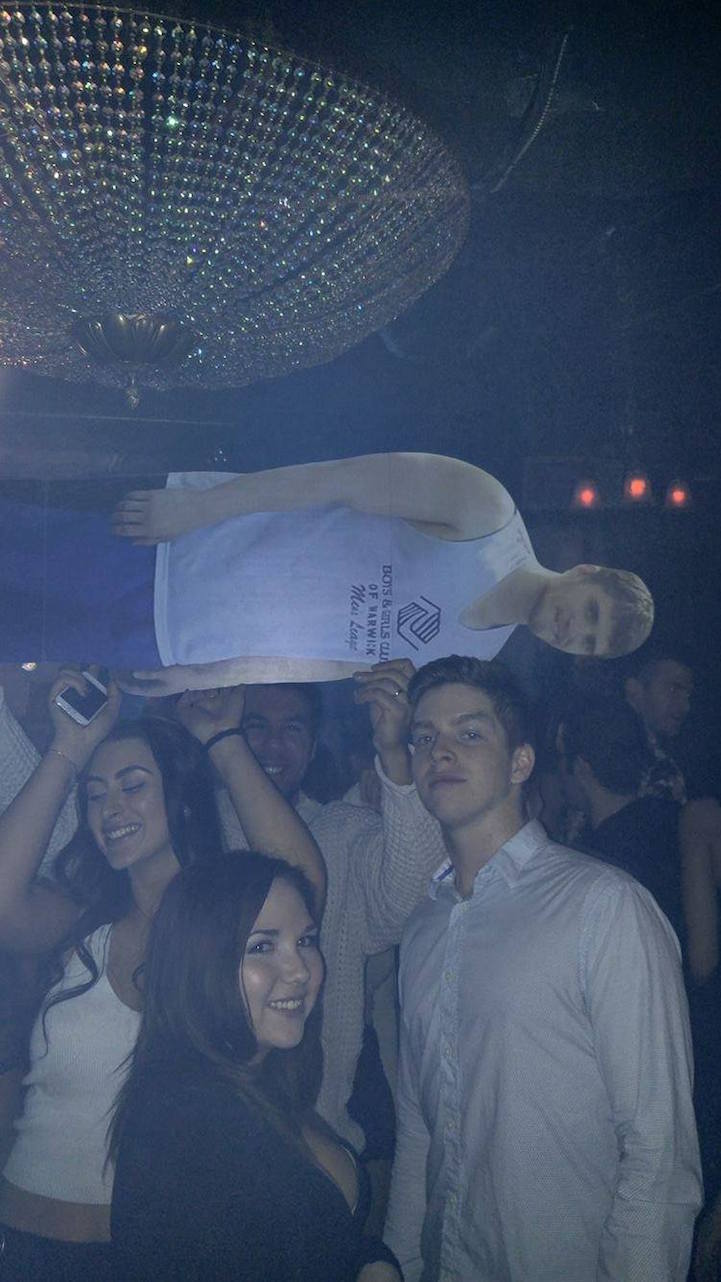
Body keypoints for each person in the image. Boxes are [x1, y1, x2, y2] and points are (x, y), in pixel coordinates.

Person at [383, 655, 702, 1282]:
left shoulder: (603, 906)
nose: (440, 751)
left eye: (470, 732)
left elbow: (657, 1150)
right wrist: (399, 1263)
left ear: (521, 762)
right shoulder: (421, 929)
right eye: (424, 737)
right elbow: (418, 1130)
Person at [0, 670, 324, 1281]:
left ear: (181, 797)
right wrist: (69, 748)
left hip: (160, 1250)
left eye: (132, 786)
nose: (110, 809)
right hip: (25, 1240)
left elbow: (300, 879)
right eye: (95, 795)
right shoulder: (81, 918)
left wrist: (223, 737)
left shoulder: (227, 934)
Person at [0, 453, 653, 692]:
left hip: (176, 637)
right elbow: (337, 479)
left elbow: (336, 664)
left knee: (17, 633)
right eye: (590, 613)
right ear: (585, 571)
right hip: (180, 548)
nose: (574, 631)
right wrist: (198, 507)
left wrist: (206, 675)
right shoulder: (485, 510)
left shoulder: (474, 657)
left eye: (588, 643)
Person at [110, 850, 403, 1282]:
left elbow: (316, 1239)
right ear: (201, 962)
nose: (299, 970)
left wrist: (370, 1261)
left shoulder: (255, 1078)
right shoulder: (187, 1128)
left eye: (306, 940)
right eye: (262, 946)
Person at [201, 670, 447, 1149]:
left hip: (317, 1130)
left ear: (313, 747)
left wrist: (393, 752)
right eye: (256, 727)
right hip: (199, 1127)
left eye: (292, 729)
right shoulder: (194, 825)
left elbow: (406, 902)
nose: (274, 745)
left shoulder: (342, 831)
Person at [558, 694, 684, 940]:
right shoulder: (673, 822)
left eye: (561, 758)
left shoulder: (597, 859)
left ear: (582, 768)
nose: (558, 772)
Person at [624, 644, 694, 802]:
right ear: (634, 691)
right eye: (673, 689)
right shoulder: (608, 754)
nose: (686, 707)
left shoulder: (676, 760)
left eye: (688, 695)